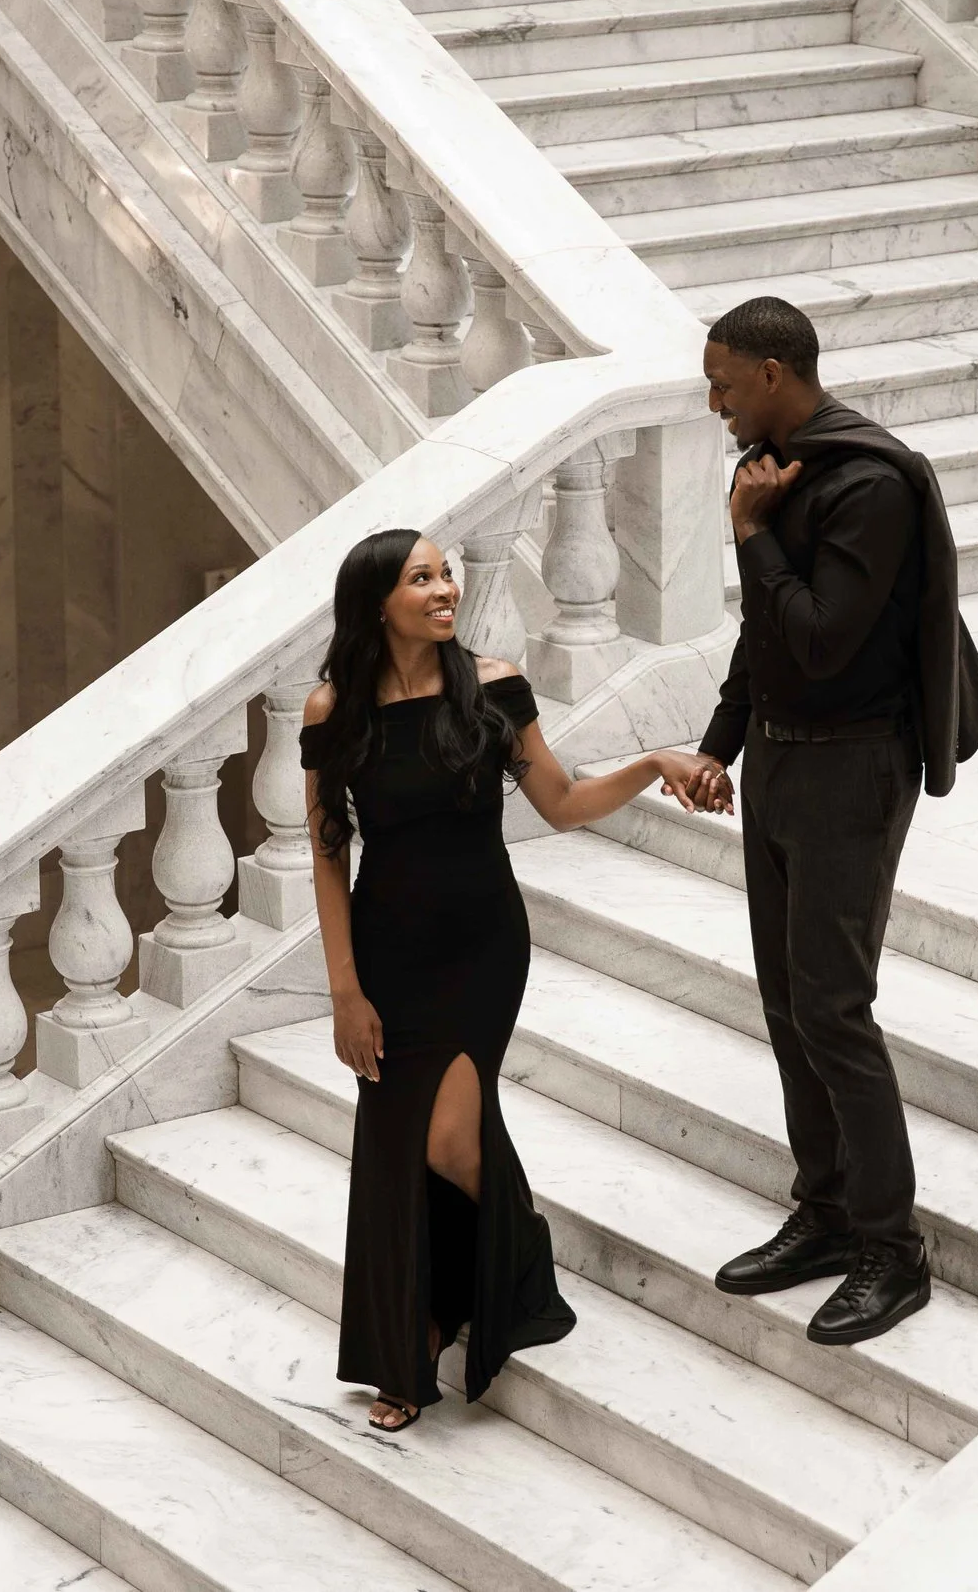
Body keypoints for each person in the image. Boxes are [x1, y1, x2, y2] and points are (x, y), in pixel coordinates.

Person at [302, 528, 720, 1432]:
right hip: (387, 953)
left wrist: (654, 762)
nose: (445, 588)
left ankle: (506, 1257)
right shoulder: (331, 709)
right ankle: (420, 1326)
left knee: (449, 1140)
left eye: (447, 572)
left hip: (483, 947)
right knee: (395, 1139)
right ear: (378, 602)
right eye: (422, 578)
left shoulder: (491, 686)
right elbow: (329, 851)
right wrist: (344, 988)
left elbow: (561, 804)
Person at [688, 296, 978, 1347]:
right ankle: (823, 1211)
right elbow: (764, 641)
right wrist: (718, 744)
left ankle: (890, 1246)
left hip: (854, 769)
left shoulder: (869, 483)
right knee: (785, 1000)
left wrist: (752, 535)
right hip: (779, 758)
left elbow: (819, 637)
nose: (715, 402)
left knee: (832, 1005)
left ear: (775, 373)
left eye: (724, 383)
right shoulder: (775, 474)